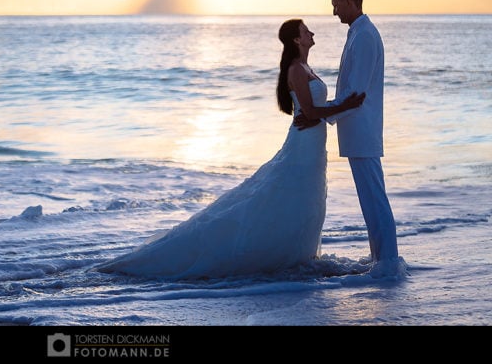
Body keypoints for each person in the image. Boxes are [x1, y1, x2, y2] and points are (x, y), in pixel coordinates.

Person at [95, 19, 365, 279]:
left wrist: (328, 110)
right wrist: (346, 106)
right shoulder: (295, 68)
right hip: (303, 143)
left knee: (305, 199)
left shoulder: (306, 67)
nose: (312, 34)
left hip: (314, 143)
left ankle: (296, 254)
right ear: (296, 39)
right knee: (288, 197)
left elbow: (313, 111)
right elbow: (310, 111)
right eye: (307, 31)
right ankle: (273, 254)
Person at [296, 0, 400, 275]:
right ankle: (381, 257)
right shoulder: (358, 33)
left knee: (374, 197)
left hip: (362, 129)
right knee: (370, 198)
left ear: (352, 2)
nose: (334, 11)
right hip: (357, 129)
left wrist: (320, 114)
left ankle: (389, 261)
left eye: (337, 4)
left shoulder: (365, 35)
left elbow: (357, 93)